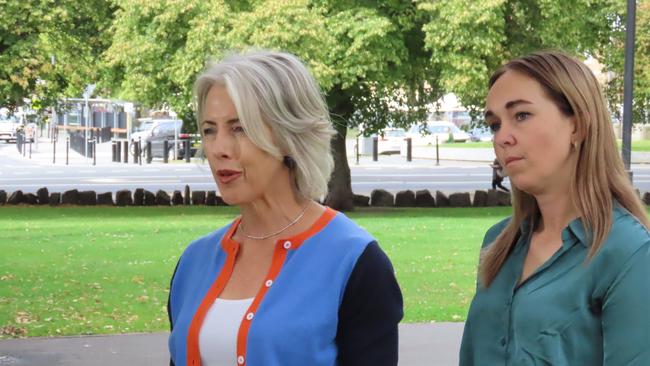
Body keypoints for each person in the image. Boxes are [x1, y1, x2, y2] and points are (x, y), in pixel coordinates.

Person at [167, 50, 403, 366]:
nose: (219, 149)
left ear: (287, 136)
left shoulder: (356, 262)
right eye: (210, 129)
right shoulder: (194, 262)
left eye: (239, 128)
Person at [460, 50, 650, 365]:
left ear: (578, 125)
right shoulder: (498, 244)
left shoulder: (629, 253)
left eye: (521, 115)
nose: (502, 137)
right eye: (494, 124)